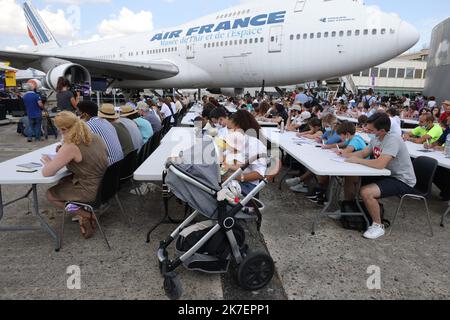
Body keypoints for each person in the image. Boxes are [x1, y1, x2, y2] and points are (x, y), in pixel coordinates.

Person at [343, 113, 417, 240]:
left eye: (371, 130)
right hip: (385, 173)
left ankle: (378, 225)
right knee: (350, 177)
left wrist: (357, 160)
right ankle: (349, 211)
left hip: (401, 180)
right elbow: (364, 152)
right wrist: (346, 154)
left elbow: (379, 164)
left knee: (366, 192)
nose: (367, 131)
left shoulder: (393, 139)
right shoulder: (377, 138)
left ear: (382, 130)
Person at [43, 111, 108, 239]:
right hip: (104, 184)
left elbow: (47, 173)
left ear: (63, 129)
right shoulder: (95, 137)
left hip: (89, 189)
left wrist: (48, 162)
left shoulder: (71, 146)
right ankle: (83, 213)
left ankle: (86, 215)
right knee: (63, 182)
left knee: (50, 194)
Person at [225, 110, 267, 195]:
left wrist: (235, 177)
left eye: (230, 129)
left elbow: (259, 174)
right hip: (235, 180)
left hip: (247, 185)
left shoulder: (255, 144)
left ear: (238, 127)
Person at [77, 101, 124, 165]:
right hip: (120, 165)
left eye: (78, 114)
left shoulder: (86, 126)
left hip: (108, 168)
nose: (77, 116)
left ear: (85, 115)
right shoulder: (106, 122)